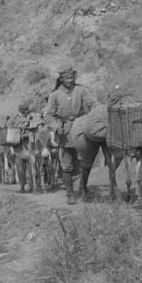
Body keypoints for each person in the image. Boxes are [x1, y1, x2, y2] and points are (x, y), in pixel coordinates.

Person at [44, 62, 97, 204]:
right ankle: (70, 193)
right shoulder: (54, 95)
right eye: (67, 78)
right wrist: (56, 127)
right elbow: (48, 116)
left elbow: (93, 104)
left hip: (81, 129)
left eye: (72, 77)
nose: (70, 80)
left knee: (86, 161)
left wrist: (97, 111)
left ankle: (83, 189)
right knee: (67, 164)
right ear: (61, 79)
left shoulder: (81, 90)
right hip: (65, 133)